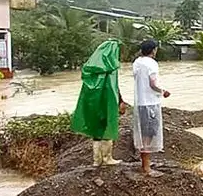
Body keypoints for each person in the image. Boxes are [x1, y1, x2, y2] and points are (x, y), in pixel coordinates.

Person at [70, 39, 128, 167]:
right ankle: (107, 158)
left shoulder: (90, 69)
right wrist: (121, 101)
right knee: (107, 126)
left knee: (96, 129)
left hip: (92, 102)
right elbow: (113, 88)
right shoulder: (111, 69)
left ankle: (97, 160)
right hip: (107, 101)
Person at [132, 39, 171, 176]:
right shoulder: (151, 63)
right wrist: (163, 91)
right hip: (150, 103)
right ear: (153, 50)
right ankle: (146, 167)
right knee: (149, 134)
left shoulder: (137, 62)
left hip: (140, 103)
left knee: (144, 133)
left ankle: (145, 163)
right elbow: (153, 84)